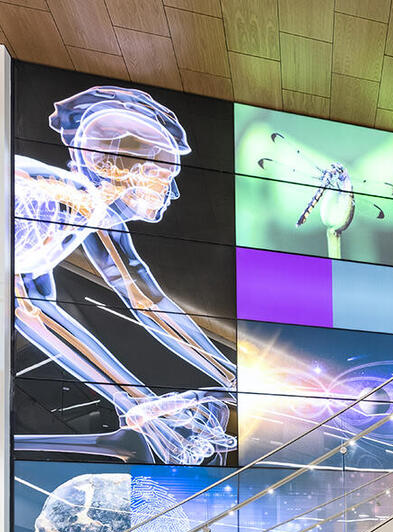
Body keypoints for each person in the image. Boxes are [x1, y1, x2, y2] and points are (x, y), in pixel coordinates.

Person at [14, 86, 236, 465]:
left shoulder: (91, 209)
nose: (172, 191)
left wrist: (232, 379)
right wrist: (139, 404)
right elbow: (32, 311)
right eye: (161, 174)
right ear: (112, 169)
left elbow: (144, 298)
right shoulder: (42, 195)